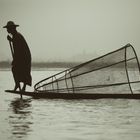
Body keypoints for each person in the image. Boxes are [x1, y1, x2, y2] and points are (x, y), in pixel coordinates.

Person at [3, 21, 32, 91]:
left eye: (8, 28)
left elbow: (18, 49)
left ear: (12, 28)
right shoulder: (15, 36)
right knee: (16, 69)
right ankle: (17, 84)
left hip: (25, 57)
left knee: (24, 71)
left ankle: (22, 87)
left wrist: (15, 60)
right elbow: (16, 44)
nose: (7, 30)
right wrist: (11, 40)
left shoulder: (17, 36)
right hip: (21, 56)